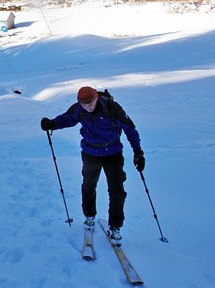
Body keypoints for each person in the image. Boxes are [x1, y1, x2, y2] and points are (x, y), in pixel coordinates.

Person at [40, 86, 145, 245]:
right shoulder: (79, 110)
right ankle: (89, 217)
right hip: (90, 153)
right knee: (88, 186)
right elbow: (67, 119)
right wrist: (51, 124)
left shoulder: (112, 108)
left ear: (96, 98)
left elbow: (130, 129)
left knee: (117, 191)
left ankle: (115, 227)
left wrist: (138, 152)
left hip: (113, 153)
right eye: (84, 103)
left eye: (91, 102)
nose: (88, 106)